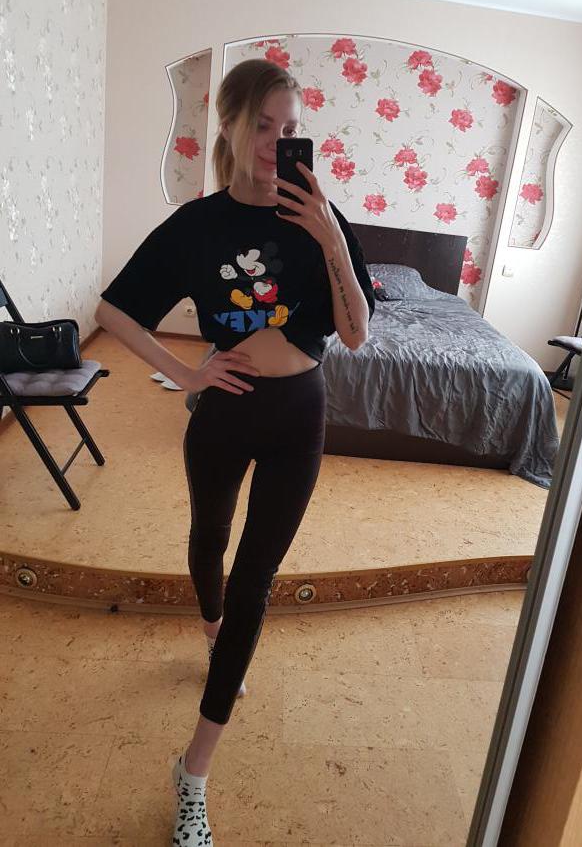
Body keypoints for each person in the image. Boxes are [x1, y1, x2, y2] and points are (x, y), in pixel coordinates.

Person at [94, 57, 376, 846]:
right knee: (208, 540)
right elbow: (113, 311)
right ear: (228, 123)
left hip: (299, 414)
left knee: (257, 581)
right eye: (263, 125)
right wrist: (186, 372)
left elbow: (356, 333)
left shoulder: (319, 216)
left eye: (290, 129)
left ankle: (193, 771)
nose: (276, 143)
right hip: (223, 411)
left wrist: (329, 236)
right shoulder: (198, 226)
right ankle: (213, 630)